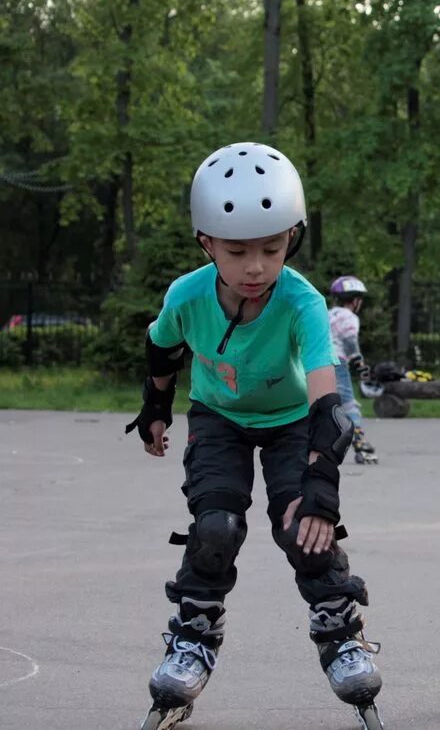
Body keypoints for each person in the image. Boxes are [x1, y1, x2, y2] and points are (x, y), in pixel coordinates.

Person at [125, 143, 383, 730]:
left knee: (304, 528)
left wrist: (321, 486)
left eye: (271, 249)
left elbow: (328, 401)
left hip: (293, 419)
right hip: (218, 418)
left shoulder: (302, 302)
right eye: (237, 252)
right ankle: (191, 639)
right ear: (205, 242)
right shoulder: (186, 295)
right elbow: (163, 346)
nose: (256, 268)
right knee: (216, 525)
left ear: (292, 236)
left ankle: (342, 633)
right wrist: (156, 405)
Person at [328, 276, 379, 464]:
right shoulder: (349, 316)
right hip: (337, 362)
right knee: (349, 403)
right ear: (355, 300)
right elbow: (350, 341)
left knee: (320, 403)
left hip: (315, 362)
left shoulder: (328, 313)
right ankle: (361, 446)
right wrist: (360, 364)